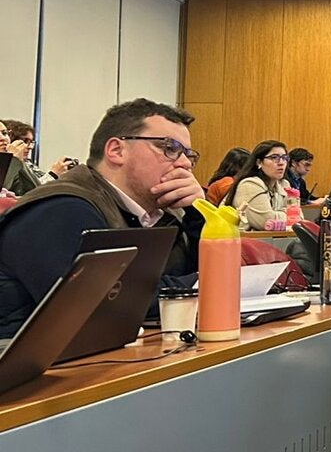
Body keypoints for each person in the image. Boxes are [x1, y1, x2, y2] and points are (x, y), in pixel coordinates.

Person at [0, 98, 203, 339]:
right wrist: (204, 284)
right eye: (169, 148)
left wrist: (197, 213)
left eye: (188, 155)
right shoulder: (61, 208)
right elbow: (107, 305)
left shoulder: (163, 215)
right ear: (116, 151)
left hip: (107, 354)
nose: (184, 164)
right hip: (22, 358)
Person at [223, 140, 292, 231]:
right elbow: (265, 222)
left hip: (271, 238)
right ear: (259, 162)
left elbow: (298, 217)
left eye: (284, 157)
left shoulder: (284, 184)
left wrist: (282, 217)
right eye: (274, 157)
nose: (281, 162)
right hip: (236, 238)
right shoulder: (249, 185)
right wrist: (287, 215)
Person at [3, 118, 76, 195]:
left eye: (31, 142)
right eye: (25, 141)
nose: (30, 147)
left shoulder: (27, 163)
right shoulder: (10, 165)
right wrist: (53, 174)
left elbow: (36, 186)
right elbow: (33, 193)